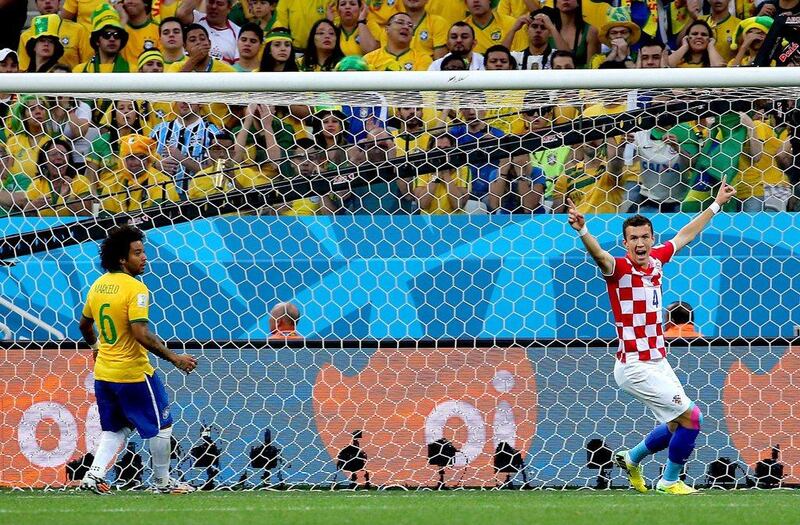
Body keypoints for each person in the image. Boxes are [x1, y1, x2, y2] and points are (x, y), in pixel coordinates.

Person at [566, 181, 737, 495]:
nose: (640, 243)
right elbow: (600, 256)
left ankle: (631, 458)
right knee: (692, 418)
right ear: (625, 243)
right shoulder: (617, 268)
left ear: (651, 239)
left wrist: (715, 204)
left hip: (658, 360)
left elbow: (686, 234)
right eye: (634, 239)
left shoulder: (657, 261)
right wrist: (582, 231)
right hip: (635, 366)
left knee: (676, 425)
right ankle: (669, 482)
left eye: (645, 237)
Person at [78, 225, 197, 495]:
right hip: (133, 373)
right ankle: (163, 484)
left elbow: (84, 325)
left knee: (115, 428)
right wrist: (175, 358)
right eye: (138, 253)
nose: (144, 258)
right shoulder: (136, 288)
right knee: (162, 426)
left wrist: (96, 346)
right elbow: (141, 334)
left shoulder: (98, 285)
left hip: (104, 374)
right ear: (122, 259)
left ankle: (93, 476)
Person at [18, 0, 92, 71]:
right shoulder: (25, 36)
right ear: (36, 4)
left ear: (59, 2)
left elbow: (88, 66)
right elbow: (23, 70)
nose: (47, 1)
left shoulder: (78, 30)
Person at [364, 12, 433, 71]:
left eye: (410, 25)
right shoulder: (369, 59)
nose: (406, 27)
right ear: (387, 29)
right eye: (400, 22)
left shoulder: (423, 59)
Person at [74, 4, 131, 72]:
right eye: (106, 35)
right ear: (97, 41)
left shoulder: (133, 71)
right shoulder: (79, 71)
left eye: (116, 35)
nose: (112, 39)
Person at [117, 0, 161, 65]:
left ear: (145, 3)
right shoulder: (118, 28)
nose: (129, 1)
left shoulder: (158, 30)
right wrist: (123, 19)